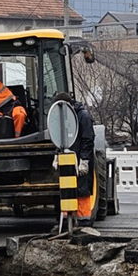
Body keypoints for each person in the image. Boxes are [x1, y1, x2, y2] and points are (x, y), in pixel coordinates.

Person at [54, 92, 95, 226]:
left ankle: (84, 221)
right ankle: (68, 221)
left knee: (82, 188)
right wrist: (57, 155)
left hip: (80, 158)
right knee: (68, 189)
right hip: (69, 158)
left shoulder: (83, 116)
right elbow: (59, 137)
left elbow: (87, 140)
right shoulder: (64, 116)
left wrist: (84, 160)